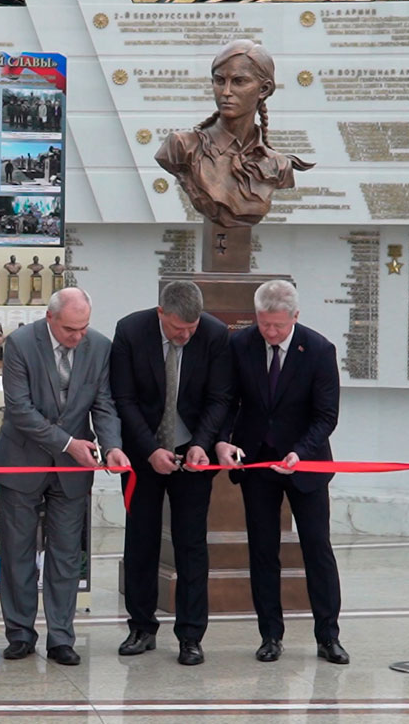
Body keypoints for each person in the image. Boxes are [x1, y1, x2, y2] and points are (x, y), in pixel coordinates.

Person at [0, 288, 128, 666]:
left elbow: (104, 404)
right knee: (18, 554)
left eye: (84, 327)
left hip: (72, 471)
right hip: (22, 461)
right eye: (71, 329)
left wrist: (112, 445)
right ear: (51, 318)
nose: (78, 336)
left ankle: (61, 637)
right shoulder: (20, 343)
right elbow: (20, 410)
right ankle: (20, 634)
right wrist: (69, 443)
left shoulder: (99, 346)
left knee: (67, 556)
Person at [216, 279, 346, 665]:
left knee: (316, 549)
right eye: (263, 324)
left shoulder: (319, 350)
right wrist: (223, 440)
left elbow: (326, 415)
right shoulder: (240, 344)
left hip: (304, 465)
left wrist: (299, 452)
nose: (270, 332)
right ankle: (270, 634)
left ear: (295, 317)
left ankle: (328, 635)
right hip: (257, 464)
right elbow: (226, 401)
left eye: (278, 325)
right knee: (262, 550)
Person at [109, 281, 232, 666]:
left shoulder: (213, 334)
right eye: (179, 328)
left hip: (193, 454)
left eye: (192, 328)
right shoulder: (131, 331)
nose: (186, 335)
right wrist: (150, 451)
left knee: (191, 545)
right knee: (141, 540)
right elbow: (124, 399)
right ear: (161, 313)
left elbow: (220, 398)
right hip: (144, 452)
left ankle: (191, 635)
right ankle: (141, 627)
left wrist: (202, 442)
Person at [154, 40, 313, 228]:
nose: (226, 92)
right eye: (220, 81)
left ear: (264, 89)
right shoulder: (182, 146)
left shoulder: (278, 164)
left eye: (239, 81)